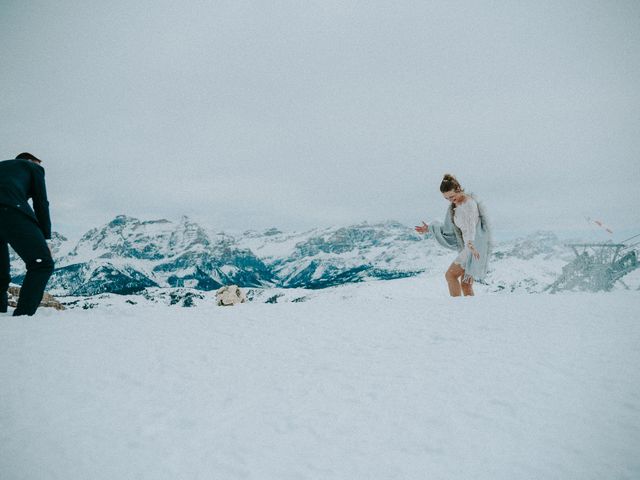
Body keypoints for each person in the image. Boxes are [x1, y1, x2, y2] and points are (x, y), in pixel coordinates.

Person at [415, 173, 491, 296]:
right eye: (447, 198)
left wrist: (471, 244)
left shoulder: (469, 204)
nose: (450, 200)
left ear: (458, 189)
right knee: (466, 284)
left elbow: (472, 227)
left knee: (450, 275)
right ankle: (468, 312)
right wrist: (429, 228)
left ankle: (456, 309)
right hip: (468, 246)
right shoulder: (455, 206)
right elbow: (448, 227)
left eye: (452, 196)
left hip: (472, 247)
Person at [0, 152, 55, 316]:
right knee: (42, 264)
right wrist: (46, 237)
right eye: (39, 162)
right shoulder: (32, 167)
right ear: (31, 160)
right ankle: (23, 317)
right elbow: (41, 202)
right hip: (10, 209)